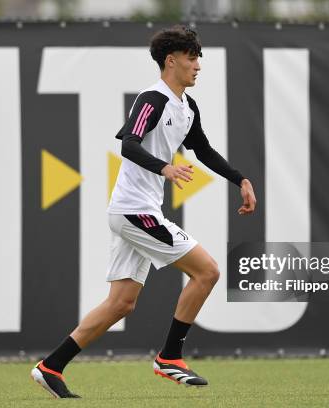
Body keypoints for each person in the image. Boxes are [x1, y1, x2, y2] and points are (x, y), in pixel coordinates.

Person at [31, 25, 256, 399]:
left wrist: (241, 179)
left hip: (135, 211)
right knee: (209, 271)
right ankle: (170, 356)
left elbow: (203, 150)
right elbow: (129, 144)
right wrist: (165, 168)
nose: (198, 65)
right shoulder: (152, 99)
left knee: (121, 303)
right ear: (172, 61)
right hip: (135, 211)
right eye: (191, 57)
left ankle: (50, 366)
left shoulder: (186, 106)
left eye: (198, 57)